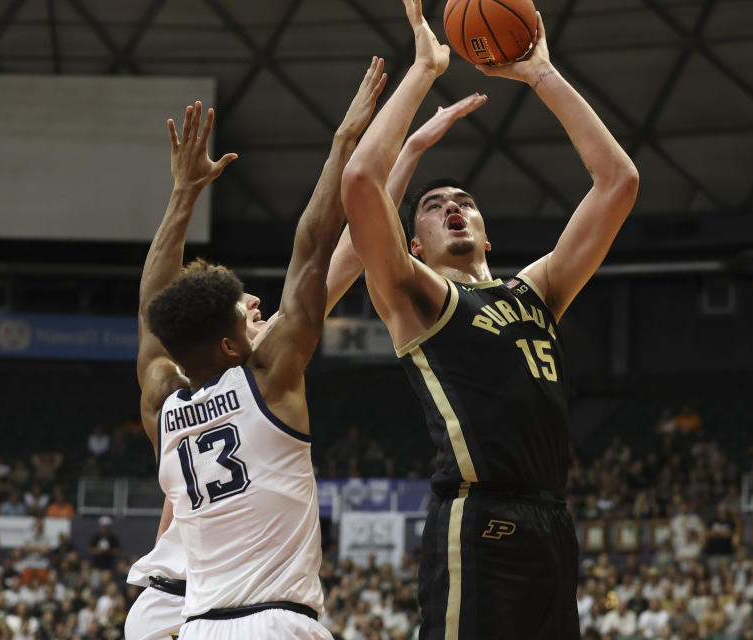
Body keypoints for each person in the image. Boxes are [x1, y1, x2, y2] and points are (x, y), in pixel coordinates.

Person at [123, 73, 484, 640]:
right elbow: (317, 251)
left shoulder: (164, 403)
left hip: (181, 617)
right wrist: (344, 143)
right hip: (245, 611)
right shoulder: (268, 378)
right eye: (247, 311)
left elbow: (153, 318)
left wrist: (183, 193)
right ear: (229, 343)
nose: (258, 305)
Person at [341, 0, 638, 637]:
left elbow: (618, 182)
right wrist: (422, 82)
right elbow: (363, 180)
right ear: (412, 242)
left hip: (554, 525)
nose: (453, 208)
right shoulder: (415, 295)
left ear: (487, 233)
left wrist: (541, 73)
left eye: (465, 203)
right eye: (433, 206)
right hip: (478, 521)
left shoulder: (538, 290)